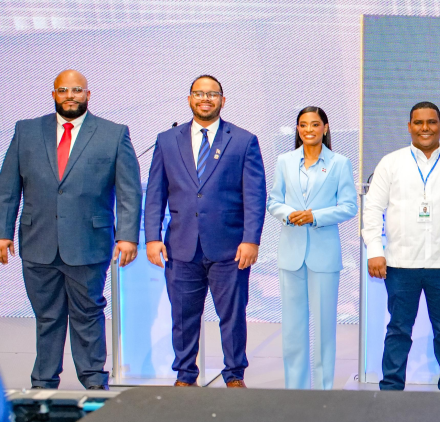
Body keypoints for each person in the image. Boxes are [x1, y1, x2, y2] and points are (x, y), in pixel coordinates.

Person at [0, 70, 141, 390]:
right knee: (47, 316)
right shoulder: (25, 131)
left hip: (89, 242)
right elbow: (7, 188)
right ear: (53, 94)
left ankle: (94, 382)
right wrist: (3, 232)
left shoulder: (113, 134)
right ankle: (43, 382)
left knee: (88, 312)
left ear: (88, 95)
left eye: (77, 90)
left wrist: (127, 236)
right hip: (38, 241)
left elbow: (129, 191)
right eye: (63, 90)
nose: (70, 96)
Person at [145, 75, 266, 388]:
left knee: (232, 316)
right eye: (199, 93)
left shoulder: (243, 140)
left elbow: (255, 196)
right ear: (189, 99)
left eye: (212, 94)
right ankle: (185, 375)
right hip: (180, 246)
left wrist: (251, 240)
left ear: (223, 100)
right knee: (183, 317)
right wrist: (152, 237)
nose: (205, 99)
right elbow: (155, 193)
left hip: (230, 248)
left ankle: (234, 375)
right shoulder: (167, 140)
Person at [362, 102, 440, 392]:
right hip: (400, 264)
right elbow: (372, 209)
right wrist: (375, 251)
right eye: (418, 122)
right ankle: (391, 390)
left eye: (431, 122)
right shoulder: (391, 163)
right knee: (398, 330)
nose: (425, 128)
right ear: (409, 127)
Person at [267, 107, 357, 389]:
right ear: (297, 129)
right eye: (303, 125)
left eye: (315, 124)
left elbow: (349, 206)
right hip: (291, 253)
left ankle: (323, 389)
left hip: (324, 255)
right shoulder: (284, 161)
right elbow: (273, 201)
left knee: (324, 327)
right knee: (293, 327)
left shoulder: (340, 163)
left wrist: (315, 217)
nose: (309, 130)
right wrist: (288, 214)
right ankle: (295, 389)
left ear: (325, 128)